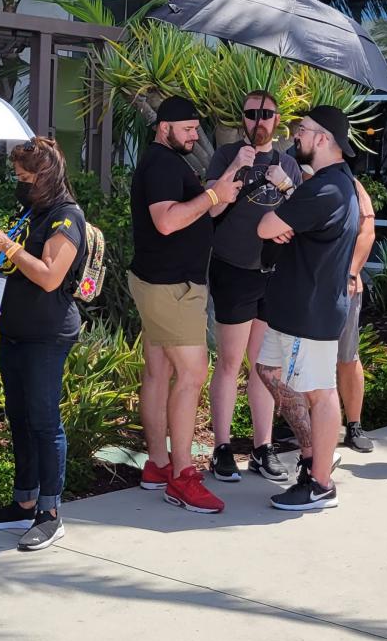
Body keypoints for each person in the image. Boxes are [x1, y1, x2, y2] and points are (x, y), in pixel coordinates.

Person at [0, 137, 87, 549]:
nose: (20, 182)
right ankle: (24, 502)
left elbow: (51, 275)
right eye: (17, 175)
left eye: (26, 176)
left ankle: (50, 512)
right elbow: (15, 260)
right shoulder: (32, 211)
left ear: (46, 176)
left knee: (42, 420)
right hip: (15, 330)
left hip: (47, 333)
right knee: (18, 418)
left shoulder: (66, 217)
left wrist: (10, 246)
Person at [129, 96, 242, 514]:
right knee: (193, 373)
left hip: (164, 282)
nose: (196, 136)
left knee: (159, 370)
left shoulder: (171, 162)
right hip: (171, 287)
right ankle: (182, 475)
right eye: (189, 129)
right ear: (165, 127)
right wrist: (213, 196)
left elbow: (203, 211)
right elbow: (167, 220)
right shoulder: (160, 165)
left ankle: (158, 465)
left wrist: (227, 180)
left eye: (197, 128)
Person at [254, 105, 359, 511]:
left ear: (323, 139)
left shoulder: (328, 188)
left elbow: (266, 227)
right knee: (268, 370)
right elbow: (295, 219)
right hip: (296, 308)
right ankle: (313, 452)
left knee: (321, 393)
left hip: (310, 311)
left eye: (303, 129)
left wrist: (281, 219)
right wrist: (288, 209)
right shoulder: (329, 185)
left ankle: (320, 483)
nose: (296, 134)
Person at [205, 91, 301, 482]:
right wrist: (234, 169)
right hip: (233, 269)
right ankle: (222, 447)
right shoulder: (225, 155)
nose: (259, 121)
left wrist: (283, 192)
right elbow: (211, 207)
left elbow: (300, 217)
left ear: (277, 120)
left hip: (272, 274)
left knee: (265, 366)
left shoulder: (289, 163)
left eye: (267, 114)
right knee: (229, 362)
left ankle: (262, 447)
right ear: (242, 118)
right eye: (251, 114)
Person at [337, 178, 376, 452]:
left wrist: (351, 273)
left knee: (348, 356)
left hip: (345, 289)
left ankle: (353, 425)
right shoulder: (293, 175)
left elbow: (368, 231)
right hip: (303, 289)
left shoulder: (351, 183)